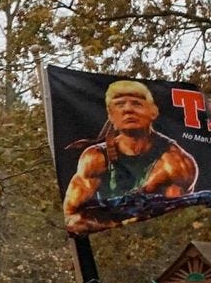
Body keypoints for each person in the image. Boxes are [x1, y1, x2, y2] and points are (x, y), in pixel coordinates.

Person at [63, 80, 198, 232]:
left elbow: (178, 221)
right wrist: (114, 226)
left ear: (153, 111)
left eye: (136, 103)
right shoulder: (95, 159)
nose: (128, 110)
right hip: (108, 241)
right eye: (120, 104)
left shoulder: (175, 163)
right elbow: (70, 216)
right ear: (111, 115)